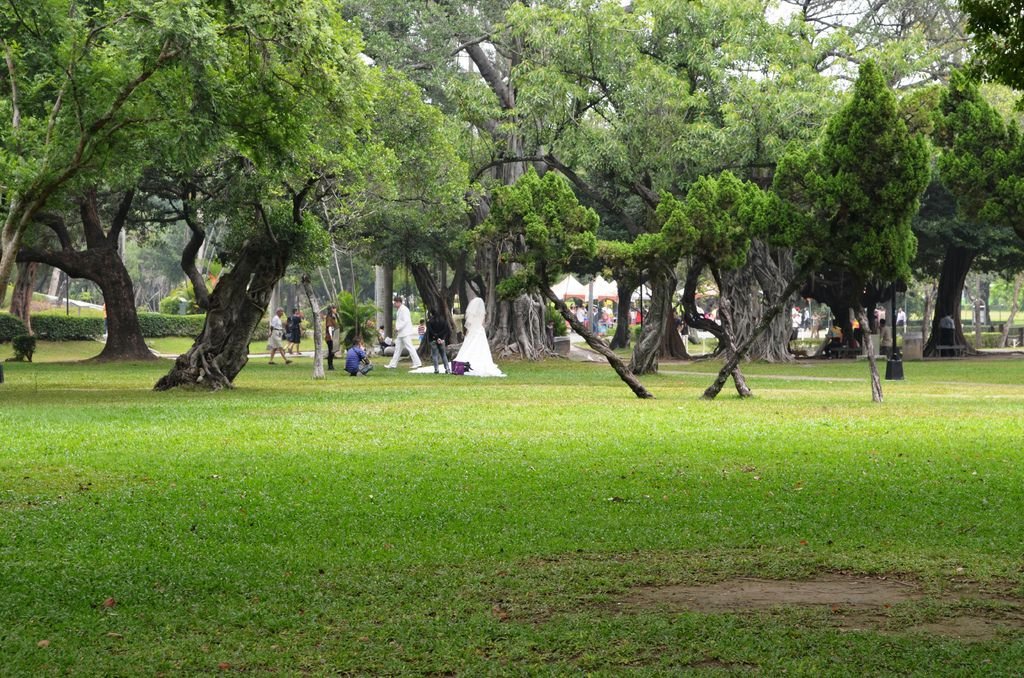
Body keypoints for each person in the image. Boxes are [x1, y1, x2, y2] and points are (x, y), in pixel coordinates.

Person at [452, 297, 505, 377]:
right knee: (481, 347)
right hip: (480, 331)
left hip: (473, 330)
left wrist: (467, 331)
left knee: (469, 346)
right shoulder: (482, 314)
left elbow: (469, 323)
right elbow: (482, 322)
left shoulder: (472, 314)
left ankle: (464, 364)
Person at [386, 296, 423, 369]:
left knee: (410, 347)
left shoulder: (404, 309)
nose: (394, 304)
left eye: (395, 303)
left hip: (405, 332)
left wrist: (398, 328)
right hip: (401, 333)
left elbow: (405, 321)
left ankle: (417, 363)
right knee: (397, 349)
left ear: (399, 302)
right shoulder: (400, 309)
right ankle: (393, 364)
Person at [425, 310, 451, 374]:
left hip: (433, 340)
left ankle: (436, 369)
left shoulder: (430, 321)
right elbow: (446, 330)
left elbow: (430, 331)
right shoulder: (443, 321)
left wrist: (436, 338)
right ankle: (447, 368)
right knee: (443, 354)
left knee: (435, 355)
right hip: (442, 340)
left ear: (431, 314)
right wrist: (441, 338)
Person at [323, 304, 339, 371]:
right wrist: (331, 337)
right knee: (331, 352)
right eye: (335, 308)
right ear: (332, 309)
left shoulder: (333, 317)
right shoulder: (329, 317)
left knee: (332, 351)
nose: (336, 310)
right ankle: (330, 366)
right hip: (329, 338)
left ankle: (331, 365)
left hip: (332, 337)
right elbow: (329, 327)